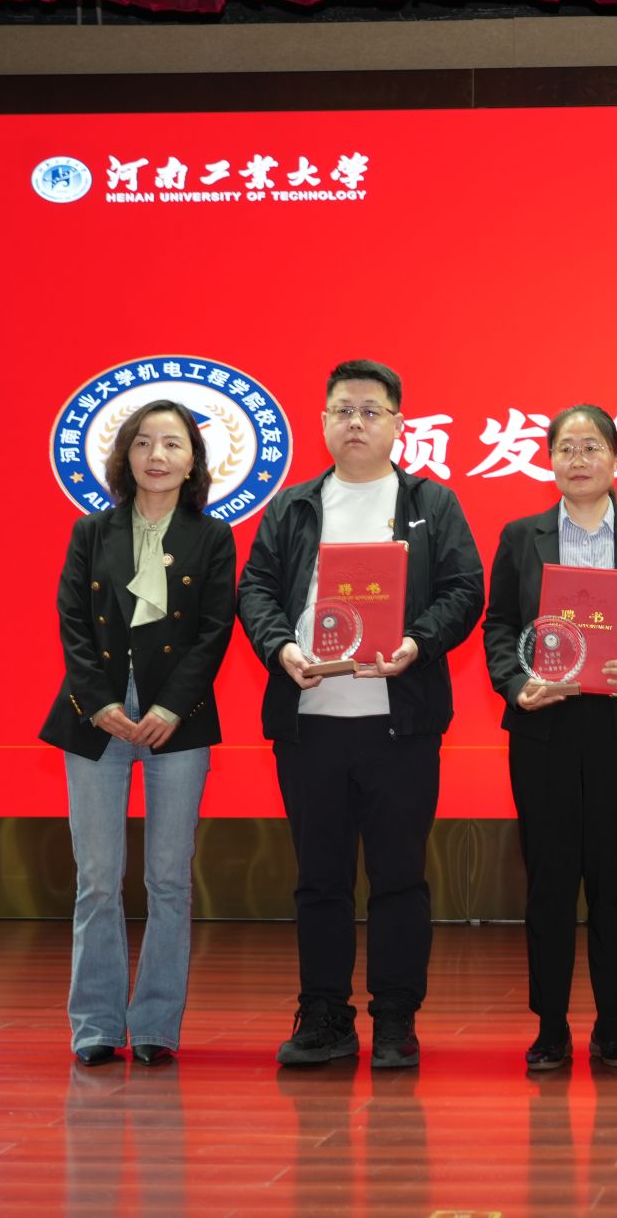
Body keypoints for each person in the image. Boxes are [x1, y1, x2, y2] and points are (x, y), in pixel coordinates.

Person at [237, 359, 484, 1070]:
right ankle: (324, 1014)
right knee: (319, 878)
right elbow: (256, 588)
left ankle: (396, 1016)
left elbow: (465, 589)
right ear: (322, 422)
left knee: (399, 875)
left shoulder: (430, 503)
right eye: (343, 410)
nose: (356, 422)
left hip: (399, 722)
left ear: (398, 424)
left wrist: (417, 642)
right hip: (310, 719)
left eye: (371, 411)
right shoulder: (293, 505)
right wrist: (280, 647)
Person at [481, 404, 617, 1072]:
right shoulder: (522, 535)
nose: (578, 459)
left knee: (614, 879)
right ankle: (549, 1026)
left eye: (592, 446)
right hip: (543, 726)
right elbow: (498, 624)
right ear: (548, 460)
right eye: (566, 448)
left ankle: (613, 1024)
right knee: (549, 880)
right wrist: (517, 683)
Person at [41, 399, 237, 1067]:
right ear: (125, 455)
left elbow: (214, 630)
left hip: (176, 720)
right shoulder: (91, 531)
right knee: (97, 878)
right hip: (96, 717)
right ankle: (95, 1025)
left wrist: (173, 707)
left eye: (173, 444)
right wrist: (97, 701)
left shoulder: (212, 537)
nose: (158, 455)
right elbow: (72, 620)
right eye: (144, 442)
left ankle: (155, 1025)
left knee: (169, 878)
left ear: (193, 460)